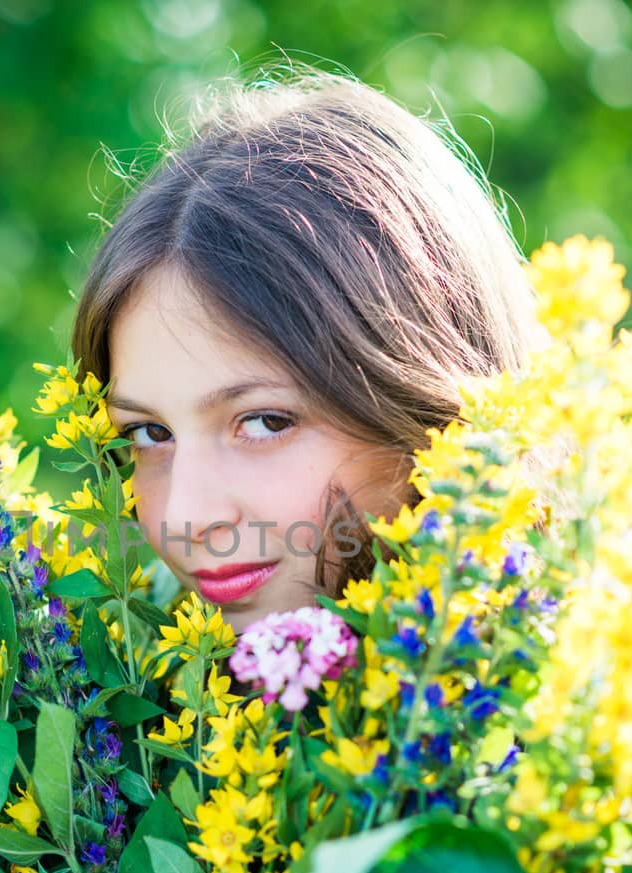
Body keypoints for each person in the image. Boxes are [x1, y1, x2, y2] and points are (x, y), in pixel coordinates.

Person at [70, 64, 543, 634]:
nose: (186, 517)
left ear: (431, 405)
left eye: (265, 421)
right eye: (150, 434)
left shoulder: (613, 713)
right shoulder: (120, 696)